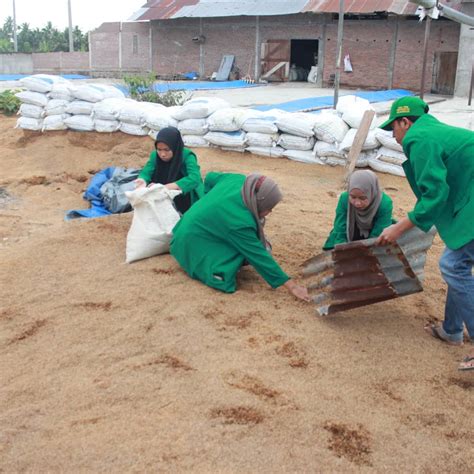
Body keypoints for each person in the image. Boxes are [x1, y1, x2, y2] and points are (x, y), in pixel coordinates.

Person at [376, 96, 474, 369]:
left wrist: (400, 227)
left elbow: (435, 194)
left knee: (453, 266)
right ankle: (452, 330)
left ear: (405, 122)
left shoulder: (418, 139)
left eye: (393, 128)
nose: (393, 135)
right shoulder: (432, 132)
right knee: (459, 263)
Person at [170, 172, 310, 302]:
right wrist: (292, 286)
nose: (270, 212)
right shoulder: (239, 222)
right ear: (259, 200)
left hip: (182, 230)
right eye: (268, 207)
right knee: (255, 252)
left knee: (256, 235)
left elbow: (210, 177)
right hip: (188, 245)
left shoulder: (239, 180)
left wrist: (205, 202)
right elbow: (258, 255)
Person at [135, 127, 204, 214]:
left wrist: (168, 187)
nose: (162, 154)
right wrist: (142, 179)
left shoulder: (187, 156)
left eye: (167, 150)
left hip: (184, 193)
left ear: (175, 147)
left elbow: (195, 178)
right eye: (159, 150)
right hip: (161, 190)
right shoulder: (155, 156)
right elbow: (147, 171)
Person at [323, 170, 394, 250]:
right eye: (353, 197)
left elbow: (379, 232)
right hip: (351, 229)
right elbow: (340, 226)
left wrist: (368, 250)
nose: (357, 203)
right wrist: (342, 247)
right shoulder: (344, 198)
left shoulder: (384, 203)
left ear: (372, 193)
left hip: (374, 230)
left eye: (363, 198)